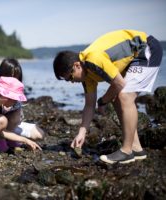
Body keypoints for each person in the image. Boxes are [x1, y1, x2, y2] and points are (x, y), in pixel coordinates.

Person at [53, 29, 163, 164]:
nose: (71, 82)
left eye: (70, 77)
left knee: (124, 96)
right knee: (118, 98)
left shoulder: (93, 60)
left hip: (146, 48)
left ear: (76, 66)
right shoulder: (86, 75)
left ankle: (126, 151)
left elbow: (120, 84)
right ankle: (136, 148)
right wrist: (82, 132)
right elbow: (89, 105)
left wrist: (103, 100)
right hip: (132, 58)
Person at [0, 58, 45, 152]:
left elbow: (17, 117)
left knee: (39, 134)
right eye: (9, 76)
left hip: (12, 126)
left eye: (16, 77)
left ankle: (10, 137)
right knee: (2, 120)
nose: (13, 80)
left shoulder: (16, 93)